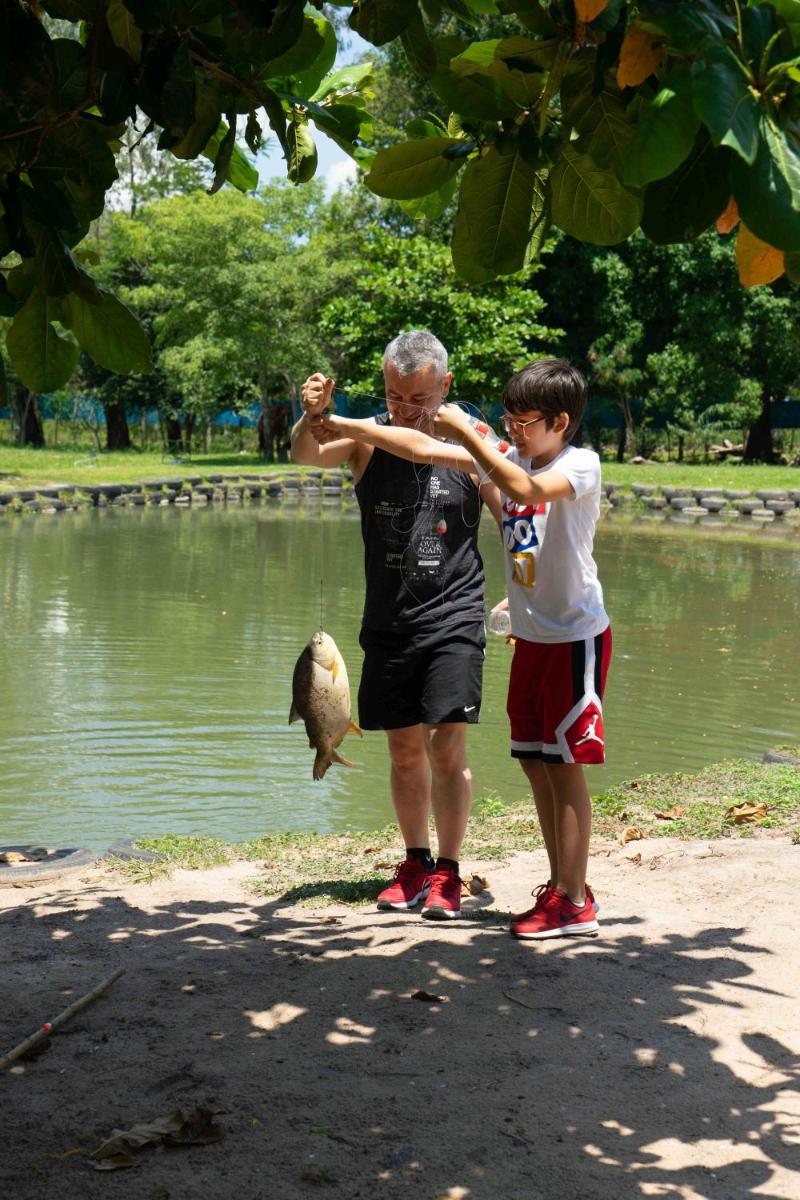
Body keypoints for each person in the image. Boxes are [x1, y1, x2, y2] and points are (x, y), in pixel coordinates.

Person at [313, 358, 610, 941]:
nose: (513, 431)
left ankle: (574, 900)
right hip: (533, 637)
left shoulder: (579, 465)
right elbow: (420, 448)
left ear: (559, 422)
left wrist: (473, 440)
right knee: (535, 762)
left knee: (565, 765)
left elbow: (524, 489)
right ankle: (562, 887)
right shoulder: (511, 455)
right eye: (508, 419)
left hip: (574, 637)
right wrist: (343, 423)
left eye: (524, 422)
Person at [291, 331, 501, 921]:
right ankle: (414, 862)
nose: (406, 409)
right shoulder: (365, 439)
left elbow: (512, 510)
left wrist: (528, 587)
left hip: (456, 612)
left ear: (446, 386)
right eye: (394, 395)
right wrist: (310, 416)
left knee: (446, 746)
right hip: (389, 619)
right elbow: (306, 454)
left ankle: (449, 872)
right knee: (404, 752)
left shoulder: (472, 438)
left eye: (420, 398)